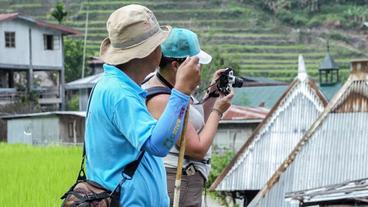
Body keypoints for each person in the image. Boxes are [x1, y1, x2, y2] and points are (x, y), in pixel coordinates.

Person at [85, 5, 201, 207]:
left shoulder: (120, 87)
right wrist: (181, 92)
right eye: (158, 45)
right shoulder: (119, 93)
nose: (161, 50)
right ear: (146, 52)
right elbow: (158, 144)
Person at [143, 28, 234, 207]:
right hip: (178, 183)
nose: (199, 68)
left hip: (187, 180)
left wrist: (213, 93)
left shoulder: (176, 88)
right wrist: (218, 111)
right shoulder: (163, 99)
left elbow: (198, 125)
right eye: (196, 62)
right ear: (177, 65)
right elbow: (196, 148)